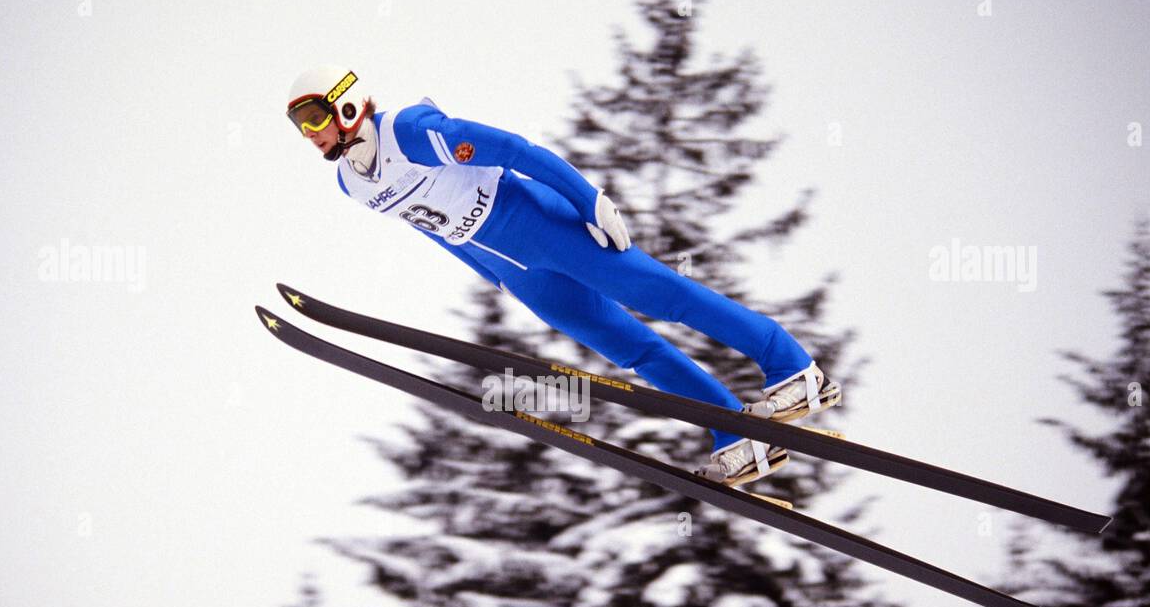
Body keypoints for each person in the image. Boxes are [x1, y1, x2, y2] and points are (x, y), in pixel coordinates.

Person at [285, 66, 841, 486]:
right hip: (514, 267)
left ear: (347, 105)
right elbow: (430, 226)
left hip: (542, 221)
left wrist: (589, 200)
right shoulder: (353, 184)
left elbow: (515, 150)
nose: (308, 134)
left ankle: (791, 365)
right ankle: (732, 430)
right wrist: (494, 276)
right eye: (298, 125)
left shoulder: (409, 131)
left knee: (664, 297)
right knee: (630, 348)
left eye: (312, 118)